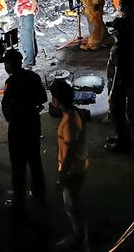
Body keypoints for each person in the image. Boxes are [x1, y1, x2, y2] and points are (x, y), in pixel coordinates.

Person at [1, 49, 47, 215]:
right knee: (35, 160)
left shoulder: (11, 82)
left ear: (10, 65)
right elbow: (43, 98)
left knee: (18, 164)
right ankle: (39, 192)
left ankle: (19, 199)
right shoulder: (33, 77)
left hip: (18, 127)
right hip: (33, 123)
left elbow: (5, 106)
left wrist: (12, 119)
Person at [51, 79, 89, 252]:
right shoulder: (72, 114)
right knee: (72, 205)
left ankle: (80, 240)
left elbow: (69, 152)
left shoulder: (70, 121)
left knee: (72, 207)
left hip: (73, 171)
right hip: (77, 167)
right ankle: (79, 236)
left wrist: (61, 174)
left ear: (57, 100)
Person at [106, 0, 134, 153]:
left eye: (121, 4)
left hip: (124, 75)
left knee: (116, 107)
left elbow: (118, 72)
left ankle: (123, 140)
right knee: (126, 105)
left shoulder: (120, 48)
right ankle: (123, 135)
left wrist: (112, 90)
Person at [12, 0, 39, 67]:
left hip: (27, 16)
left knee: (26, 38)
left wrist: (31, 11)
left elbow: (34, 1)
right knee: (29, 37)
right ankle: (32, 57)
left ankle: (29, 61)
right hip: (27, 15)